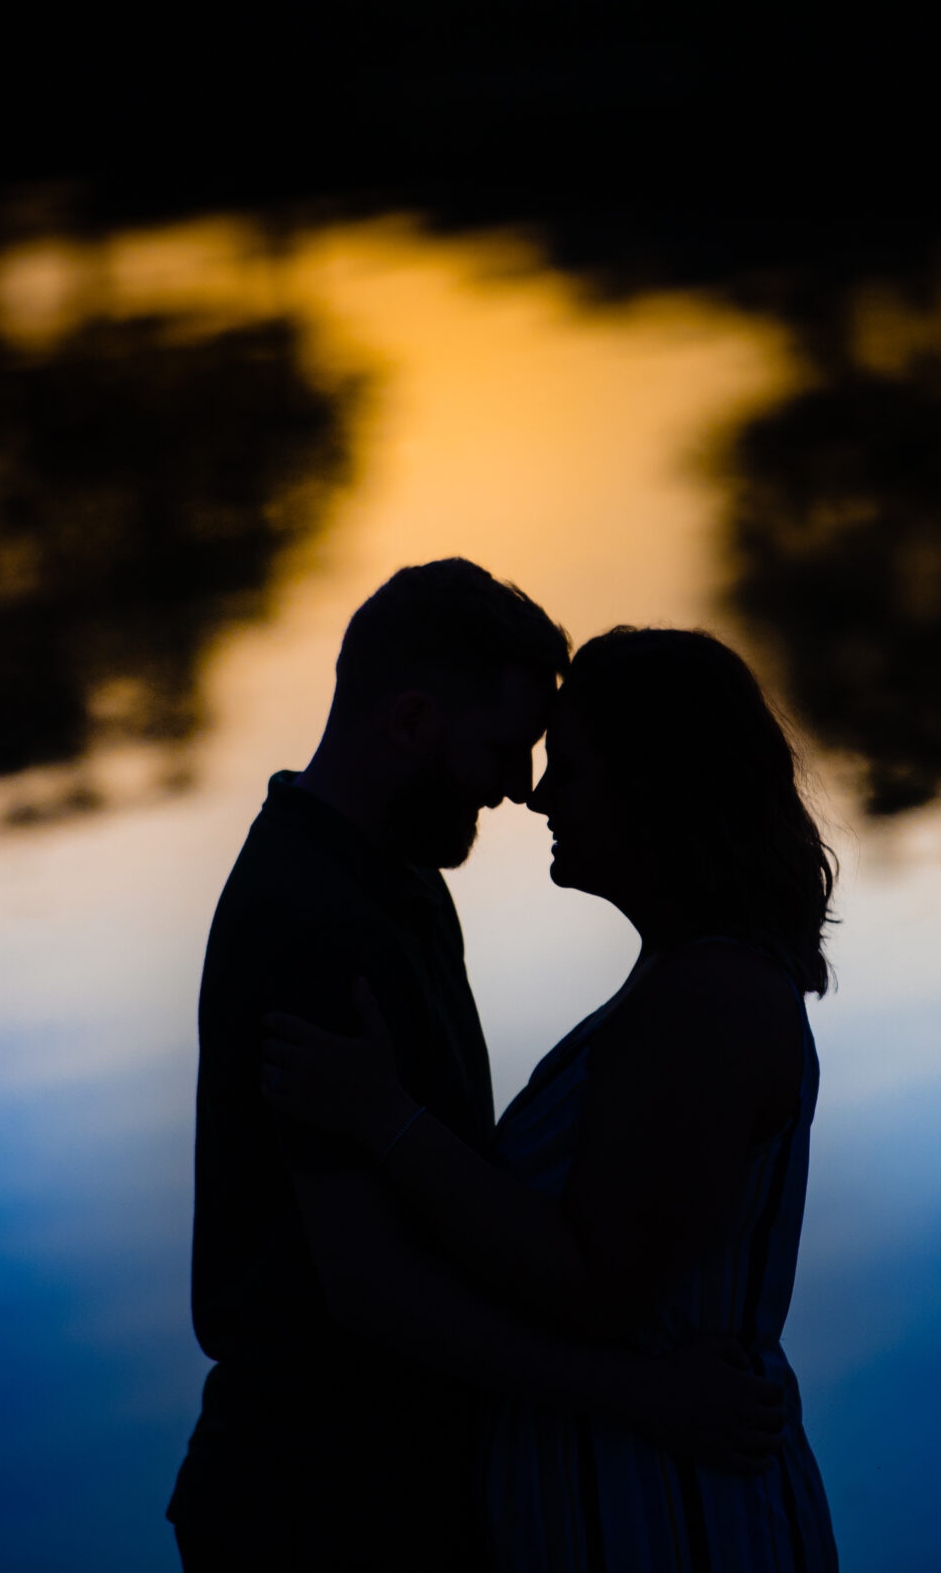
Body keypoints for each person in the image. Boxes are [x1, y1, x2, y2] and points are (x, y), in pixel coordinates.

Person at [168, 565, 784, 1571]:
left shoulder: (397, 883)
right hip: (319, 1507)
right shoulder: (309, 921)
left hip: (383, 1487)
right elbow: (366, 1283)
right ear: (410, 721)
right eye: (505, 749)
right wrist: (641, 1397)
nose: (520, 787)